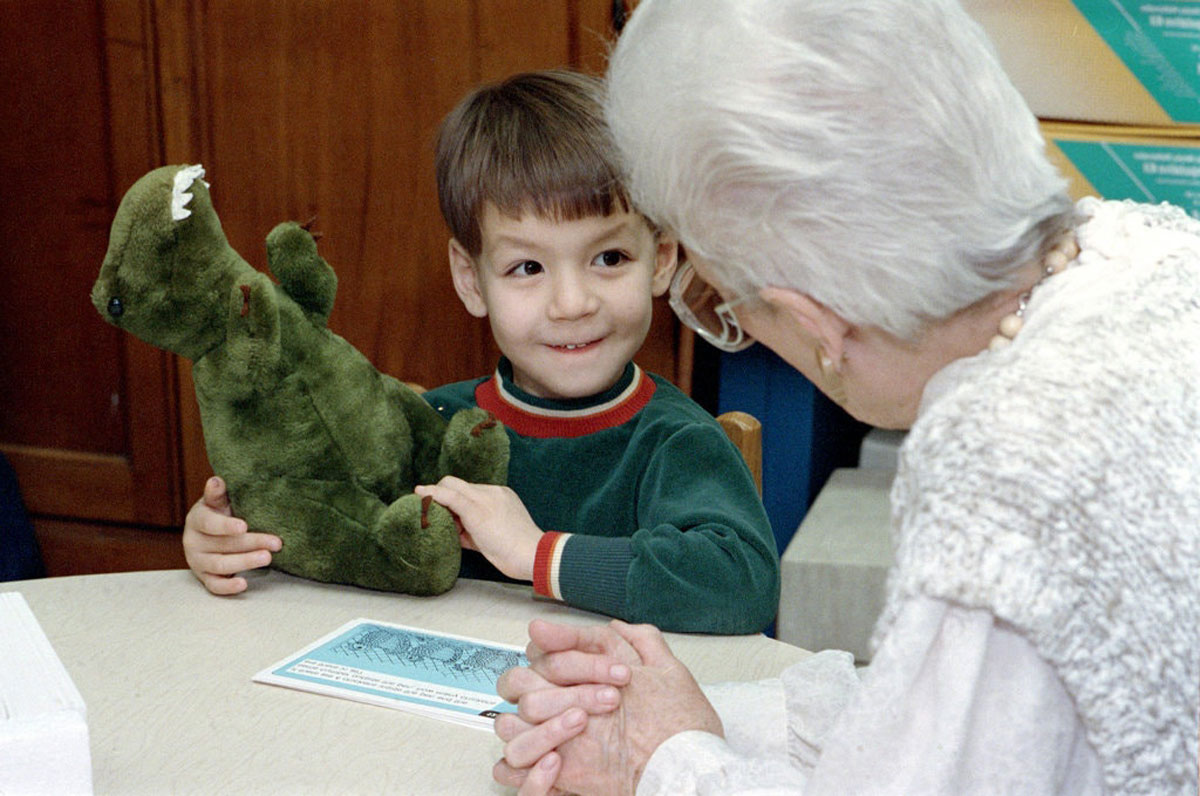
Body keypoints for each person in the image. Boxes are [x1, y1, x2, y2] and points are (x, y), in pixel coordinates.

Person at [490, 1, 1200, 793]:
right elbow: (948, 716)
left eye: (729, 306)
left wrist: (664, 763)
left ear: (816, 324)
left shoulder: (1007, 462)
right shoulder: (1147, 247)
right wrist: (698, 715)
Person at [181, 69, 780, 635]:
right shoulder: (425, 425)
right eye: (527, 267)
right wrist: (233, 541)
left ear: (663, 261)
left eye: (609, 258)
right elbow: (324, 520)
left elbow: (744, 582)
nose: (572, 302)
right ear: (471, 280)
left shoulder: (676, 442)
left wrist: (538, 554)